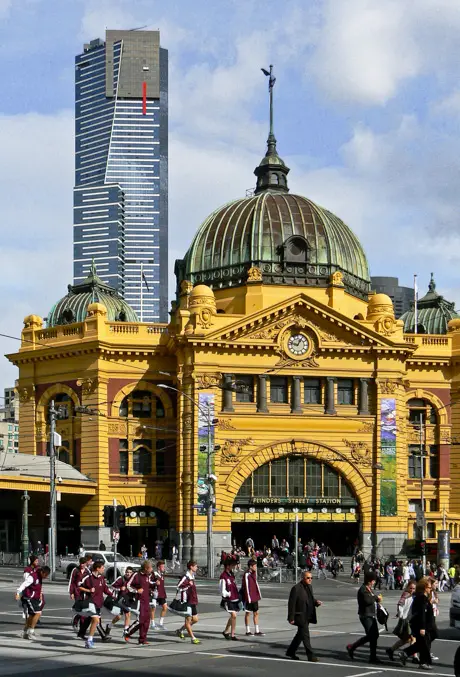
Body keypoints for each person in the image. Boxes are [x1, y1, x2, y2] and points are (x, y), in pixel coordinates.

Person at [398, 577, 434, 670]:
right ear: (424, 588)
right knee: (424, 643)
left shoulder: (424, 597)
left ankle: (406, 653)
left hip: (426, 625)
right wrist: (422, 627)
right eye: (429, 587)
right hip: (421, 626)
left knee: (423, 643)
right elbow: (421, 613)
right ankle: (423, 662)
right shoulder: (421, 598)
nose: (431, 589)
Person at [346, 570, 382, 664]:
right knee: (372, 635)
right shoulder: (363, 589)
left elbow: (372, 599)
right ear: (370, 580)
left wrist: (377, 600)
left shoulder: (369, 589)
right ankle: (371, 656)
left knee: (374, 635)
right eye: (373, 580)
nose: (374, 582)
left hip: (371, 614)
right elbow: (367, 601)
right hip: (365, 615)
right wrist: (375, 598)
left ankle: (354, 648)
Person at [286, 570, 322, 661]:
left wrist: (316, 602)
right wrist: (291, 617)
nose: (310, 580)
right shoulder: (296, 588)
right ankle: (311, 655)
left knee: (300, 635)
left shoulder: (309, 587)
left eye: (311, 578)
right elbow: (292, 604)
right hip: (300, 616)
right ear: (303, 578)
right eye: (308, 578)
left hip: (308, 615)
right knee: (305, 635)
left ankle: (291, 651)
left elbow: (310, 599)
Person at [79, 560, 115, 649]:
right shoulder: (88, 578)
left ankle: (86, 638)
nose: (104, 569)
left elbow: (105, 589)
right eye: (102, 568)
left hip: (99, 603)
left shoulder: (102, 578)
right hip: (91, 603)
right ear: (97, 568)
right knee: (96, 620)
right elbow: (79, 586)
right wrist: (88, 590)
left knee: (94, 621)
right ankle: (89, 640)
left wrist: (113, 595)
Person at [15, 565, 50, 639]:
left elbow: (38, 587)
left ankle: (25, 632)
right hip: (29, 597)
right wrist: (18, 593)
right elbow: (24, 584)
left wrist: (40, 594)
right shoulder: (33, 577)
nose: (46, 577)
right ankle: (31, 632)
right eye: (45, 575)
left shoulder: (39, 577)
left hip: (35, 598)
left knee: (31, 615)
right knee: (38, 613)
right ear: (42, 572)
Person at [126, 560, 154, 645]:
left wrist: (153, 587)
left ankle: (142, 639)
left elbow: (148, 584)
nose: (152, 569)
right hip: (139, 601)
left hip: (146, 600)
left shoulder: (147, 576)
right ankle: (127, 633)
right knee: (140, 621)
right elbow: (128, 585)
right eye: (151, 568)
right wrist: (136, 590)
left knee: (146, 621)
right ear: (146, 568)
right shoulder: (136, 575)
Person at [386, 580, 415, 660]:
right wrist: (400, 614)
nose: (412, 590)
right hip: (406, 619)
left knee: (406, 639)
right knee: (413, 639)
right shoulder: (406, 595)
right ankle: (412, 656)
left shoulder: (414, 595)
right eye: (411, 588)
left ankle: (391, 650)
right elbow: (400, 604)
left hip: (410, 619)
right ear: (407, 587)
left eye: (413, 589)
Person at [106, 566, 135, 639]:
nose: (128, 574)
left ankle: (125, 631)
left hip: (127, 600)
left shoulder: (133, 580)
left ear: (132, 573)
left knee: (128, 614)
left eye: (130, 572)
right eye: (127, 572)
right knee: (118, 616)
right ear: (125, 572)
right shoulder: (121, 579)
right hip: (119, 600)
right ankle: (109, 626)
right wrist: (119, 588)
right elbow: (111, 586)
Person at [176, 561, 200, 644]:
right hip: (187, 601)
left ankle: (180, 630)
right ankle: (193, 638)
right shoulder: (186, 576)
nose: (197, 568)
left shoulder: (192, 576)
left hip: (193, 600)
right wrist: (188, 585)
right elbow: (178, 586)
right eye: (196, 566)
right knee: (188, 620)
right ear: (191, 567)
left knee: (195, 619)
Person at [69, 555, 92, 635]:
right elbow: (71, 582)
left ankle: (81, 627)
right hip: (77, 592)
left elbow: (90, 581)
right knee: (80, 608)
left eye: (84, 563)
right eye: (81, 563)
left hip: (85, 593)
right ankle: (76, 622)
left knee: (84, 610)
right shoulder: (75, 570)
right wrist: (71, 592)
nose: (82, 565)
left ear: (86, 564)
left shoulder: (88, 571)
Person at [219, 557, 241, 640]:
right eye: (232, 565)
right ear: (227, 566)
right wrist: (228, 594)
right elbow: (222, 590)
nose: (234, 567)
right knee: (234, 615)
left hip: (234, 598)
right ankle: (232, 635)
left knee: (233, 616)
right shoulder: (223, 576)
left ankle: (225, 631)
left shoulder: (231, 574)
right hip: (228, 599)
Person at [241, 558, 264, 636]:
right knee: (248, 613)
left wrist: (258, 594)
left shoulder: (254, 573)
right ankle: (248, 631)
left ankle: (257, 630)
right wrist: (248, 598)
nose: (256, 567)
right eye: (254, 566)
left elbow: (256, 583)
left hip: (255, 597)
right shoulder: (246, 574)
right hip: (249, 597)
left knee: (256, 613)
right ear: (250, 566)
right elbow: (246, 587)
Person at [150, 560, 168, 631]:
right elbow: (149, 581)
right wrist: (155, 583)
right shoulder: (154, 574)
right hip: (154, 594)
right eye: (162, 566)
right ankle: (153, 624)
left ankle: (160, 623)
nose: (164, 567)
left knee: (165, 607)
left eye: (164, 566)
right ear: (158, 567)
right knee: (153, 608)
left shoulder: (162, 574)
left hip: (161, 594)